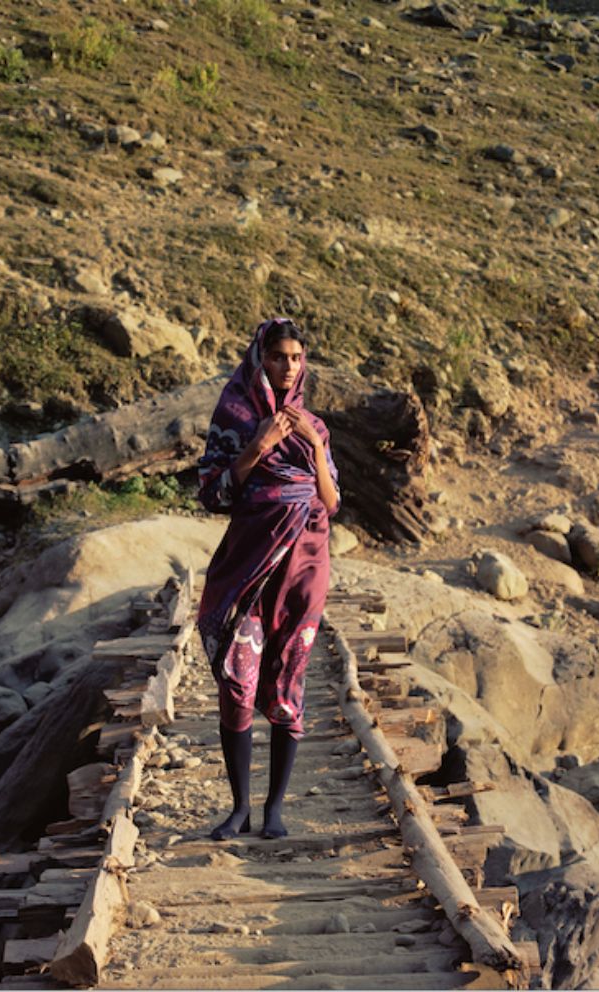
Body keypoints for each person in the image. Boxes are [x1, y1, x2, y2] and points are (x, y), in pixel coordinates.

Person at [197, 317, 340, 841]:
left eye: (297, 358)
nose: (288, 367)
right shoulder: (234, 418)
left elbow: (332, 501)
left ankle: (275, 809)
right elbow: (211, 494)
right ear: (261, 359)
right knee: (238, 681)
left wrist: (315, 448)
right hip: (248, 566)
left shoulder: (315, 426)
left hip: (304, 568)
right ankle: (239, 808)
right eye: (279, 356)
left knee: (287, 682)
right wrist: (257, 447)